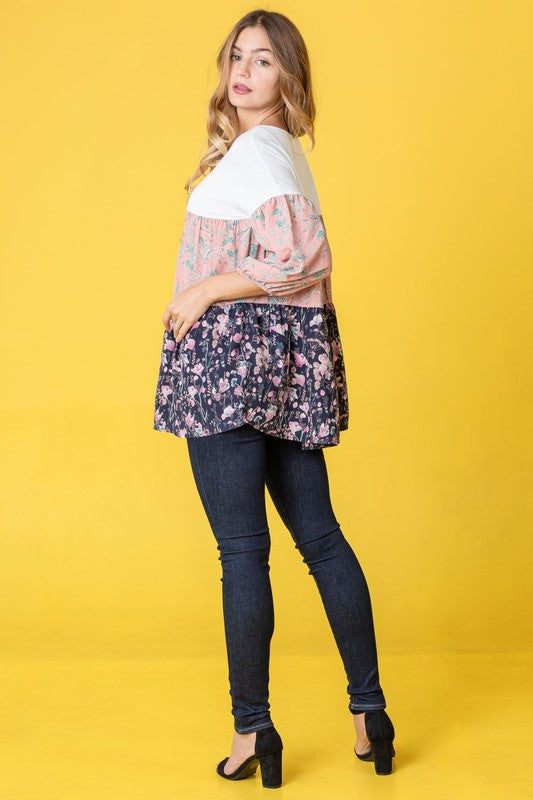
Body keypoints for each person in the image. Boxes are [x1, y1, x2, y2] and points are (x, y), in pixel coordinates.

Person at [153, 9, 396, 787]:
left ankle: (252, 731)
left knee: (241, 554)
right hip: (279, 361)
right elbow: (301, 267)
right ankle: (369, 712)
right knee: (319, 540)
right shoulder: (278, 150)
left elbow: (303, 254)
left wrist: (205, 292)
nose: (244, 70)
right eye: (236, 57)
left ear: (288, 76)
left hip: (228, 360)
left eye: (263, 59)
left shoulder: (259, 149)